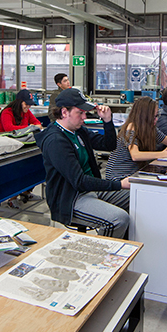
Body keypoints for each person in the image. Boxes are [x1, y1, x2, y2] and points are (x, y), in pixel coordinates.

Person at [35, 89, 131, 239]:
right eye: (80, 113)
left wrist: (107, 121)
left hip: (90, 189)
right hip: (71, 198)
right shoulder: (56, 141)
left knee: (136, 196)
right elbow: (79, 181)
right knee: (118, 219)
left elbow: (109, 145)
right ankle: (102, 252)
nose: (84, 117)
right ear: (64, 112)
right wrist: (119, 184)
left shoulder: (78, 131)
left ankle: (127, 244)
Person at [104, 96, 167, 182]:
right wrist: (164, 154)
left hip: (134, 174)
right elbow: (135, 155)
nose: (156, 120)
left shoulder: (151, 129)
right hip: (119, 178)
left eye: (157, 116)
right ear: (144, 116)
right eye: (153, 117)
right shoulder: (131, 128)